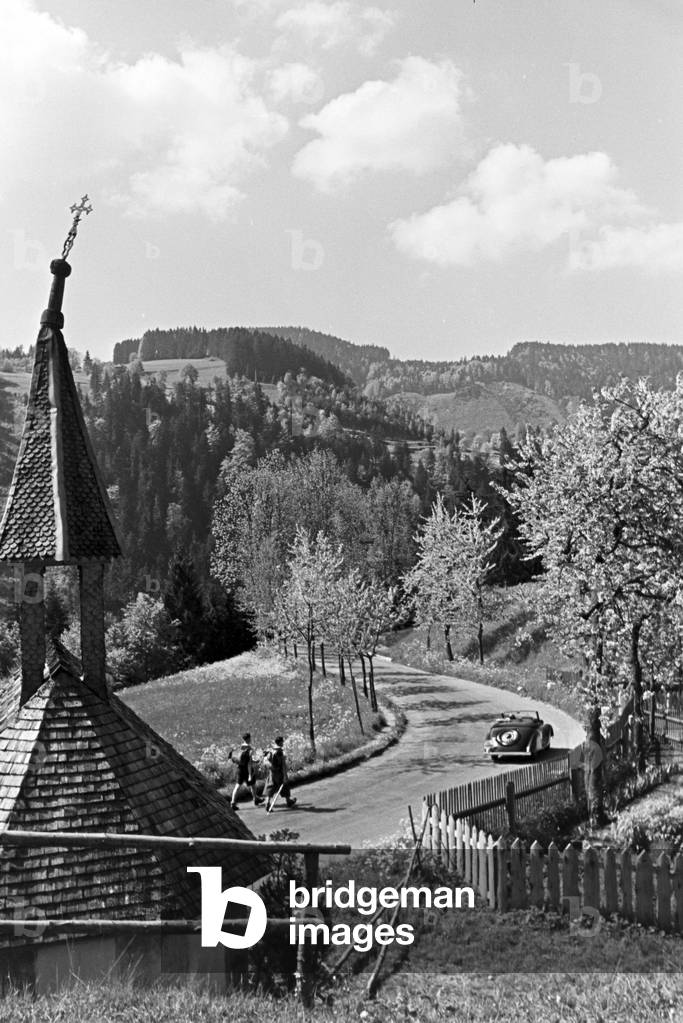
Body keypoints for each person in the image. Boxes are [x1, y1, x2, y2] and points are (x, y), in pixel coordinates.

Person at [229, 732, 264, 810]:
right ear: (249, 739)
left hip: (240, 769)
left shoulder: (239, 748)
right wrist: (250, 775)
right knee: (253, 784)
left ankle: (233, 803)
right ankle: (255, 799)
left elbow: (236, 759)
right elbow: (249, 762)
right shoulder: (250, 749)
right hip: (247, 770)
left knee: (237, 786)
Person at [264, 736, 297, 811]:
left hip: (272, 772)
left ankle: (268, 803)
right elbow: (283, 765)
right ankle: (288, 801)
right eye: (282, 741)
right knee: (285, 786)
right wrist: (285, 776)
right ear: (280, 742)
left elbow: (266, 759)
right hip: (279, 772)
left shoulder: (271, 750)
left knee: (271, 787)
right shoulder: (279, 751)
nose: (283, 743)